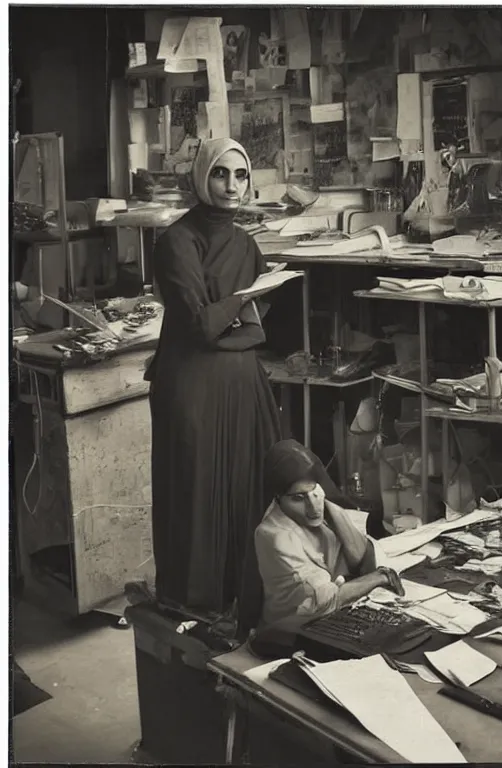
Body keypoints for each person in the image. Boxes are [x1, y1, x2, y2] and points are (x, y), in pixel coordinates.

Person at [147, 138, 281, 629]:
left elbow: (258, 325)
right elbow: (202, 325)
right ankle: (192, 607)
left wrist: (239, 315)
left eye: (240, 175)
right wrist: (240, 308)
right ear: (202, 178)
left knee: (248, 485)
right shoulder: (176, 241)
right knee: (195, 490)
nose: (231, 185)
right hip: (192, 386)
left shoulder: (246, 243)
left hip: (240, 382)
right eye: (221, 174)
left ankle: (242, 601)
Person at [254, 440, 404, 631]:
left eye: (314, 491)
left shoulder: (324, 513)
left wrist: (333, 512)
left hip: (332, 616)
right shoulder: (275, 536)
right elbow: (323, 601)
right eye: (298, 498)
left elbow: (364, 556)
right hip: (294, 630)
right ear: (278, 497)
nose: (312, 506)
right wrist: (380, 577)